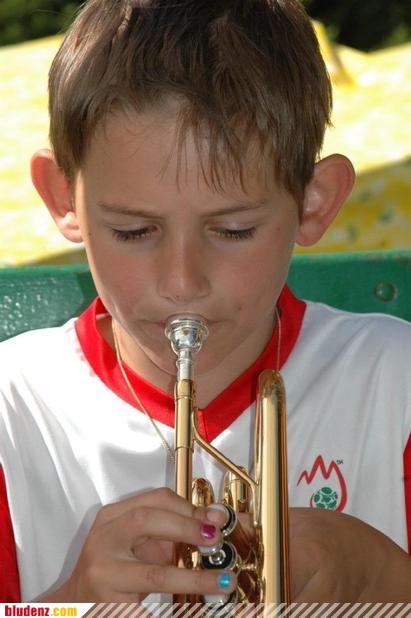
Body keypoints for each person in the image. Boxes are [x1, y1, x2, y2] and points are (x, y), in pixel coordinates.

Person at [0, 0, 410, 606]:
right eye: (135, 231)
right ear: (64, 198)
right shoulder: (14, 407)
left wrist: (385, 580)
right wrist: (69, 601)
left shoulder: (395, 381)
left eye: (233, 230)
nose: (182, 283)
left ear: (314, 203)